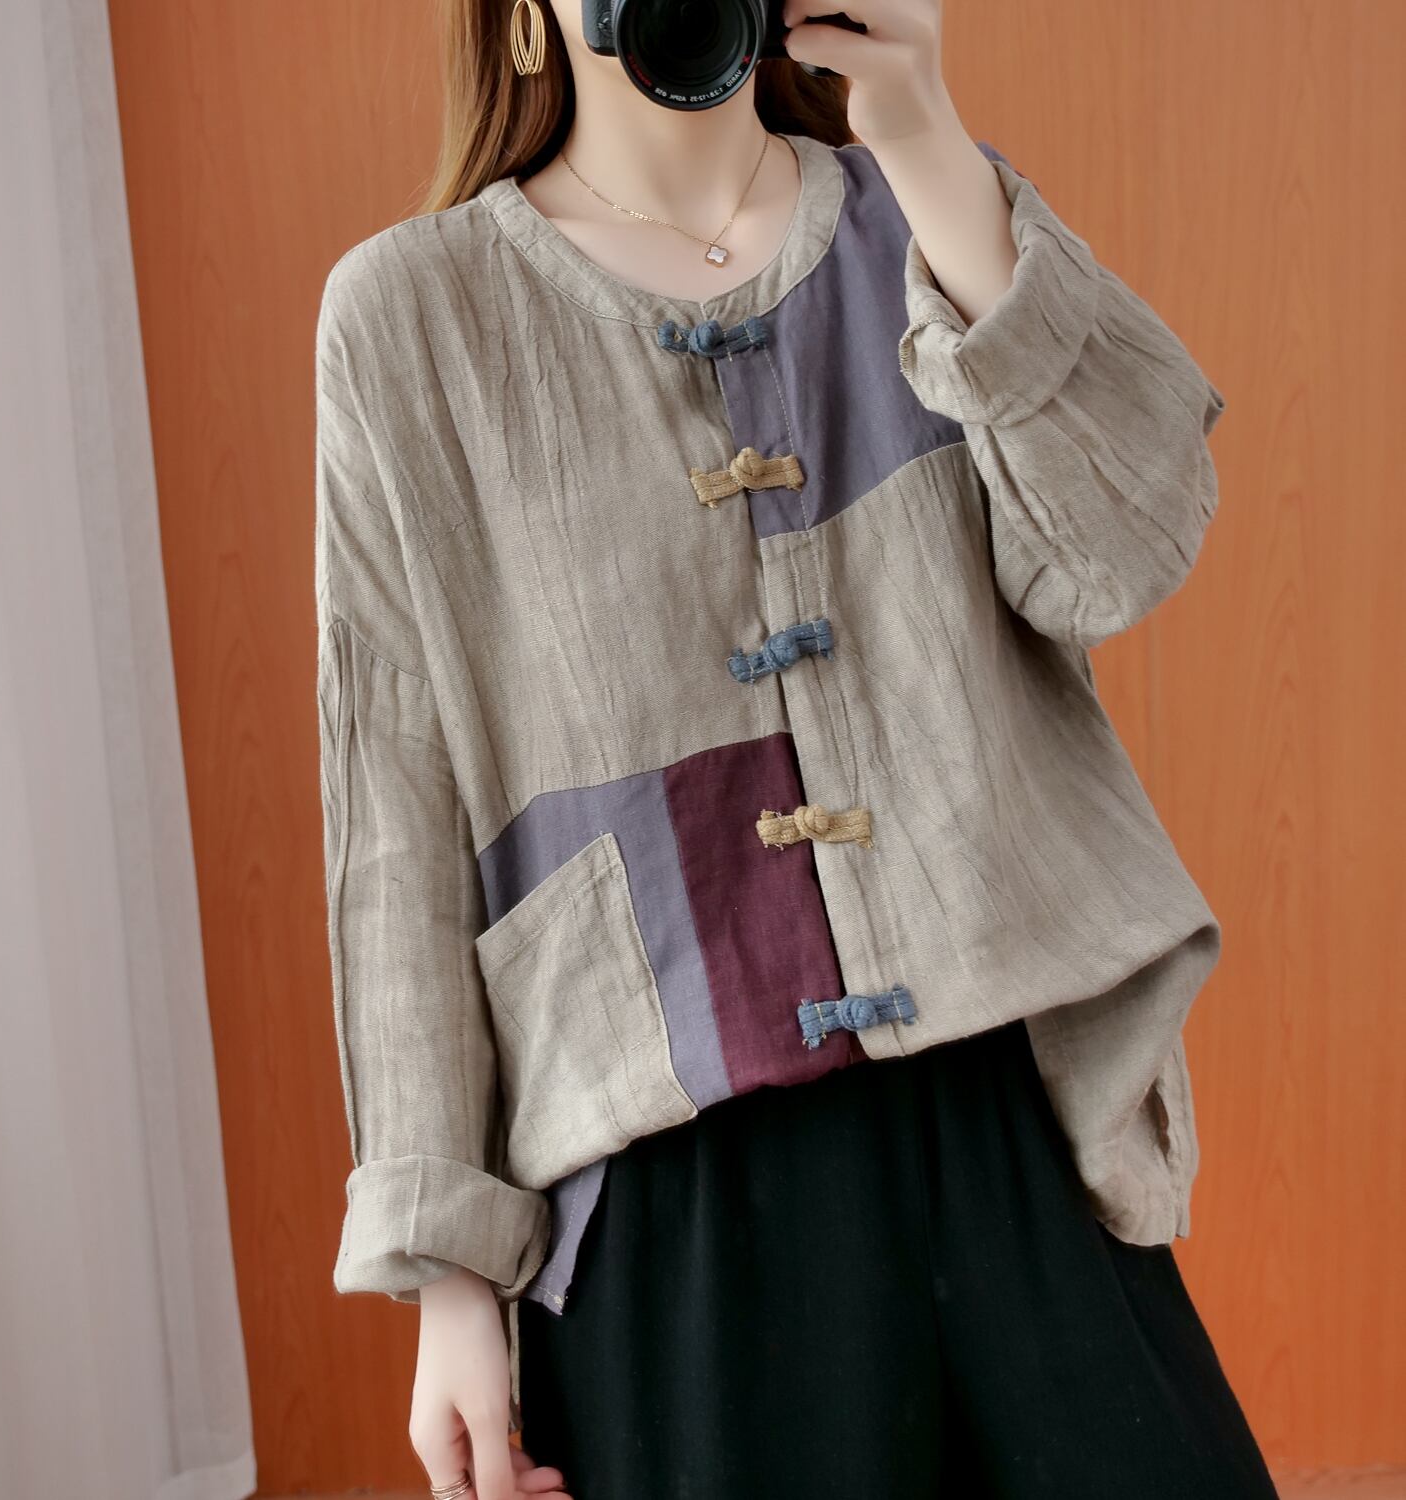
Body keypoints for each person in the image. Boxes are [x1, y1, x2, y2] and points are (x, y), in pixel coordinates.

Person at [312, 2, 1280, 1497]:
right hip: (671, 1197)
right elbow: (396, 816)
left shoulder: (926, 219)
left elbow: (1126, 546)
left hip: (1001, 1115)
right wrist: (448, 1279)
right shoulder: (412, 318)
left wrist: (926, 135)